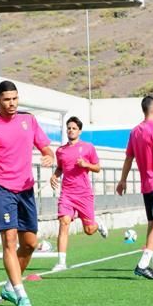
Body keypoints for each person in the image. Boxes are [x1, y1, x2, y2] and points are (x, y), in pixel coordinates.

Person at [0, 80, 54, 306]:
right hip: (2, 189)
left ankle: (9, 286)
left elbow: (46, 148)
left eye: (15, 99)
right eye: (7, 100)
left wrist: (49, 156)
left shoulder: (28, 120)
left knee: (29, 244)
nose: (12, 104)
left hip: (26, 190)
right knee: (9, 241)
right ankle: (20, 293)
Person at [115, 96, 153, 279]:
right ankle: (143, 264)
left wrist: (122, 180)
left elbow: (128, 158)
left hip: (147, 186)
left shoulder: (135, 132)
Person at [49, 116, 108, 271]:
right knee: (64, 223)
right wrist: (55, 175)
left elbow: (97, 167)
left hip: (84, 194)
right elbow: (61, 168)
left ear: (80, 131)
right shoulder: (60, 151)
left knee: (89, 231)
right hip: (67, 194)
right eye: (69, 128)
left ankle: (98, 223)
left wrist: (86, 164)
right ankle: (61, 262)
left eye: (74, 128)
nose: (71, 130)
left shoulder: (88, 147)